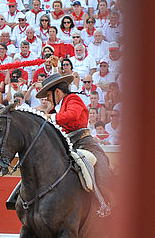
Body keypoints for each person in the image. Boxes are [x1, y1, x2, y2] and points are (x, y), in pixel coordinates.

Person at [23, 72, 112, 217]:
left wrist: (50, 116)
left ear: (57, 92)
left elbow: (73, 115)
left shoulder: (72, 99)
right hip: (66, 145)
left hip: (84, 143)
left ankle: (106, 206)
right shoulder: (58, 106)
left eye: (48, 95)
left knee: (103, 174)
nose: (47, 100)